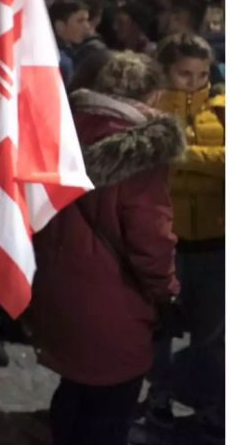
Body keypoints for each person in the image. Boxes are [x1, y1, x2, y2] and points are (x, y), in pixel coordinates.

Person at [28, 50, 183, 445]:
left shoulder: (59, 129)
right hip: (115, 301)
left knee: (73, 388)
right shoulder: (142, 153)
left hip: (57, 284)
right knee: (110, 406)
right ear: (150, 95)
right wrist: (167, 292)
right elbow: (152, 240)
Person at [148, 34, 225, 441]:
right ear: (166, 71)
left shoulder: (224, 110)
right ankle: (157, 396)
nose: (193, 82)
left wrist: (184, 157)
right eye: (183, 73)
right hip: (167, 239)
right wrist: (208, 168)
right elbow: (154, 168)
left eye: (200, 74)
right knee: (158, 330)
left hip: (215, 240)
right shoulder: (153, 109)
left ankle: (212, 404)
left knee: (212, 335)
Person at [49, 0, 90, 83]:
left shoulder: (75, 52)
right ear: (60, 26)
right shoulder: (61, 62)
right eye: (80, 21)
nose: (87, 26)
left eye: (87, 20)